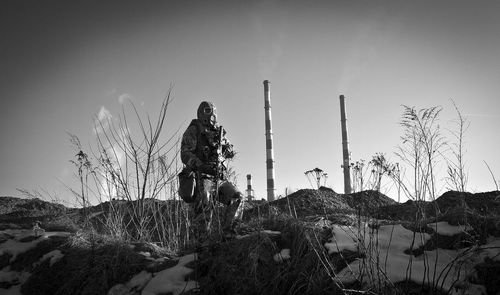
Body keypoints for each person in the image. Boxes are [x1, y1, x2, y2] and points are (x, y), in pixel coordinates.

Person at [179, 101, 243, 239]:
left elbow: (230, 151)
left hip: (219, 177)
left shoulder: (218, 132)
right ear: (201, 112)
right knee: (205, 205)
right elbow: (185, 154)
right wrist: (199, 164)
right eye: (208, 111)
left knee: (237, 198)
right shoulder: (194, 130)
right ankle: (202, 245)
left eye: (213, 111)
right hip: (202, 176)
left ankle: (229, 234)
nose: (212, 114)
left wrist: (227, 149)